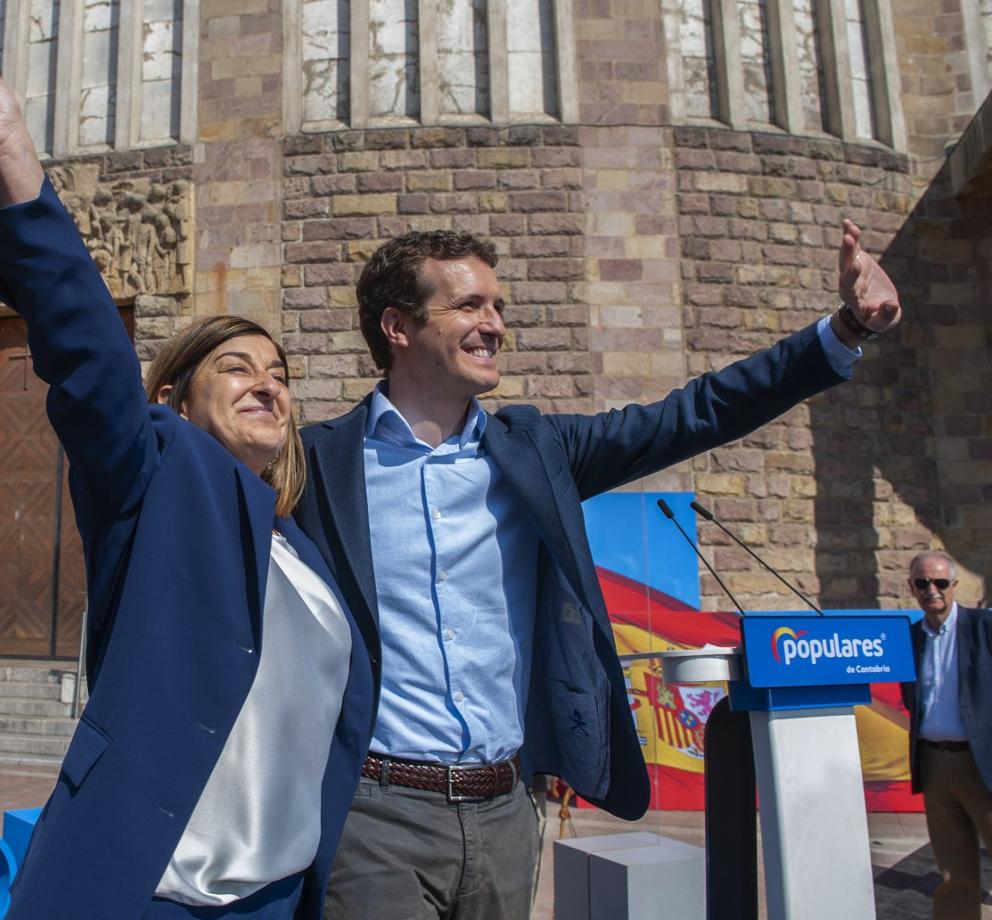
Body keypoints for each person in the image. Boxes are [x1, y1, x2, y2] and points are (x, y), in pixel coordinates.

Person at [0, 50, 374, 920]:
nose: (269, 383)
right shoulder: (159, 479)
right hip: (157, 893)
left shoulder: (302, 545)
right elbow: (92, 361)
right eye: (238, 367)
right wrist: (15, 163)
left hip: (281, 898)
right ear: (175, 398)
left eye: (281, 373)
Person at [293, 226, 903, 918]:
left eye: (499, 307)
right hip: (375, 818)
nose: (494, 324)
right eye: (469, 306)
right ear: (397, 326)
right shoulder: (313, 466)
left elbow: (694, 414)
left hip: (505, 812)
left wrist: (845, 329)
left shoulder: (538, 452)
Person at [901, 551, 992, 920]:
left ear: (955, 586)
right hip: (935, 763)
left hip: (982, 762)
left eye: (939, 582)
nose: (931, 590)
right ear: (912, 588)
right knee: (954, 873)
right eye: (922, 583)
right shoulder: (909, 639)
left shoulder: (983, 628)